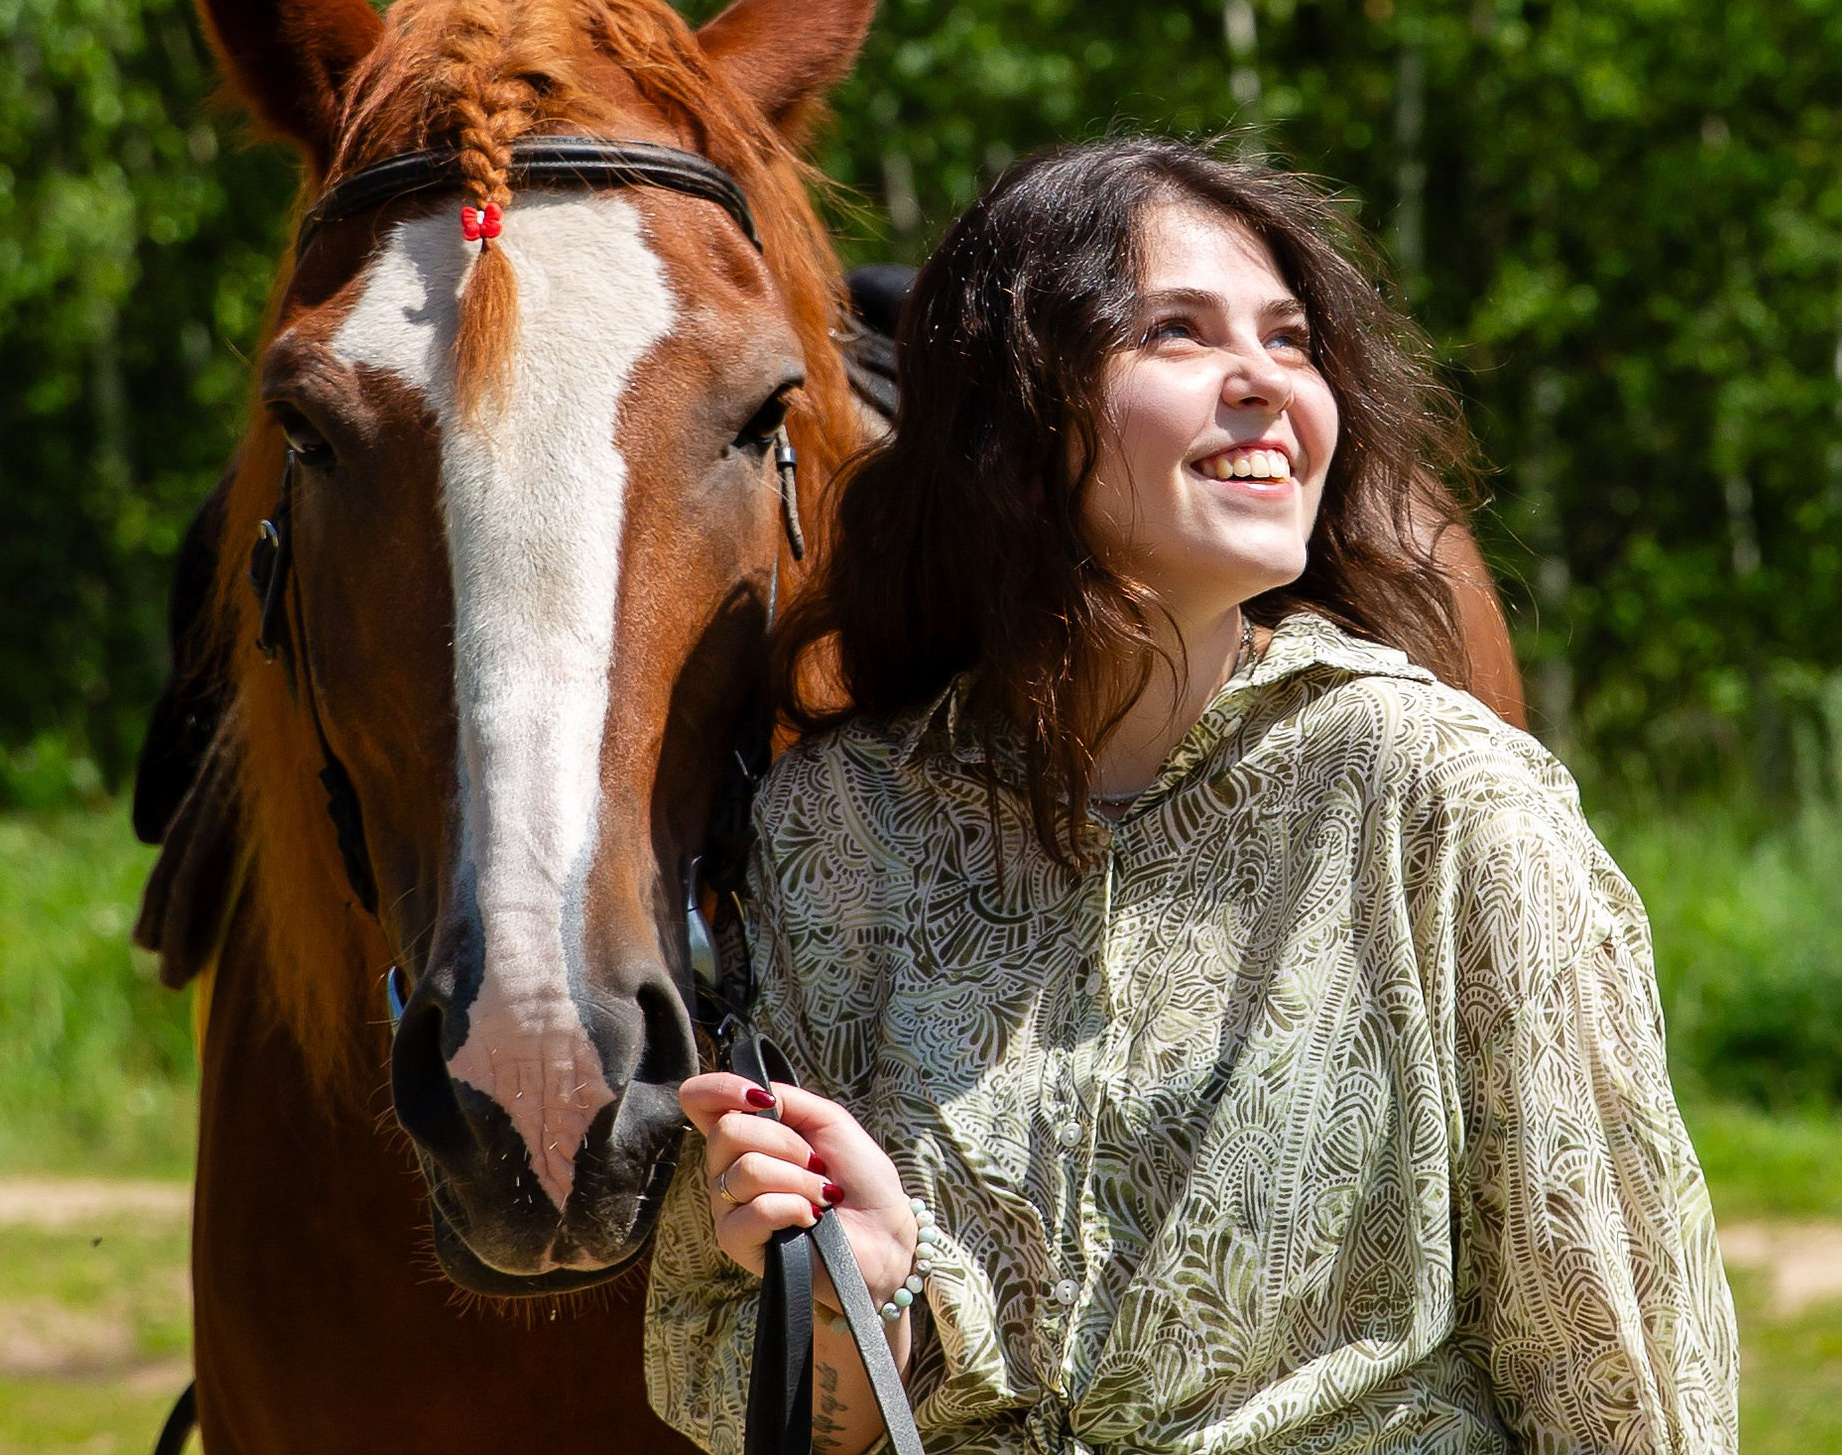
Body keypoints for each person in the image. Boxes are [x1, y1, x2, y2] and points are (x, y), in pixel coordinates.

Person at [644, 139, 1739, 1454]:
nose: (1266, 386)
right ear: (1015, 415)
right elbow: (716, 1375)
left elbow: (1623, 1376)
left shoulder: (1441, 802)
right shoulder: (837, 825)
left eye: (1290, 340)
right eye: (1176, 331)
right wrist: (878, 1308)